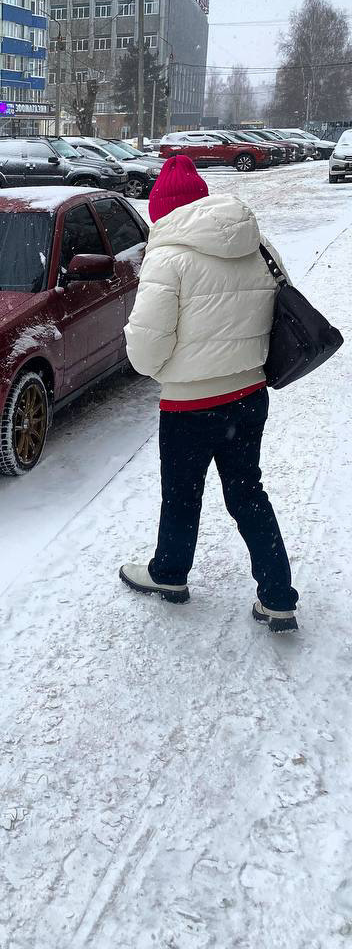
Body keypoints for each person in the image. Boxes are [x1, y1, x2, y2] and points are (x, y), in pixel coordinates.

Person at [119, 154, 299, 634]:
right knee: (247, 491)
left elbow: (144, 350)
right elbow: (278, 302)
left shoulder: (168, 257)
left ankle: (170, 574)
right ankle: (278, 596)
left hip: (189, 405)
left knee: (181, 494)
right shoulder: (257, 242)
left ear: (163, 213)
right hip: (249, 394)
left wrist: (173, 367)